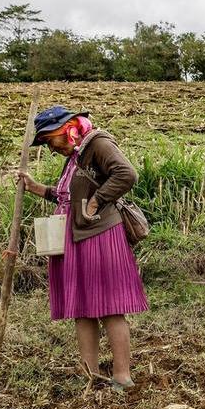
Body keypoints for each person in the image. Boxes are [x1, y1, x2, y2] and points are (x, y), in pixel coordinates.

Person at [17, 105, 148, 390]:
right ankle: (89, 374)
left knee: (111, 307)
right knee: (83, 308)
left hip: (101, 235)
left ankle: (122, 376)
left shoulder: (98, 143)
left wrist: (95, 201)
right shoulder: (76, 153)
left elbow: (126, 175)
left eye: (50, 141)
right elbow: (68, 195)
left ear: (68, 130)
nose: (51, 149)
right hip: (76, 236)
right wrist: (38, 188)